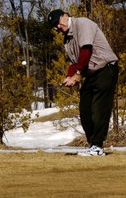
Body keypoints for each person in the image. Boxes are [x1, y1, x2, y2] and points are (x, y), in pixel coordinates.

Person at [48, 9, 119, 156]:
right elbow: (75, 61)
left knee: (99, 108)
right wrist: (69, 76)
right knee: (85, 109)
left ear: (66, 16)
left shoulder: (83, 24)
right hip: (91, 73)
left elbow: (86, 50)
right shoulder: (67, 39)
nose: (58, 27)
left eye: (58, 23)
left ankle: (98, 146)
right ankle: (92, 145)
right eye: (55, 26)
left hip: (106, 68)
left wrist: (78, 74)